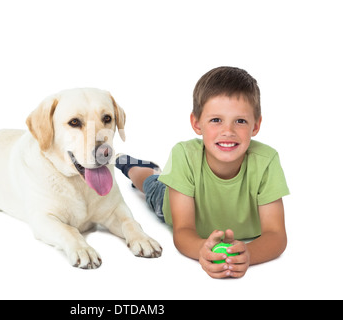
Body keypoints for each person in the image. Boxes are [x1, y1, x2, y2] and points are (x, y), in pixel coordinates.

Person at [115, 66, 289, 279]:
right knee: (151, 183)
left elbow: (276, 235)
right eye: (216, 120)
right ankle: (131, 164)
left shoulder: (267, 161)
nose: (228, 131)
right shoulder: (184, 155)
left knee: (159, 178)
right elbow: (183, 230)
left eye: (240, 121)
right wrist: (202, 250)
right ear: (197, 123)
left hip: (191, 191)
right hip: (171, 203)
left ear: (256, 125)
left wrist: (248, 254)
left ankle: (160, 173)